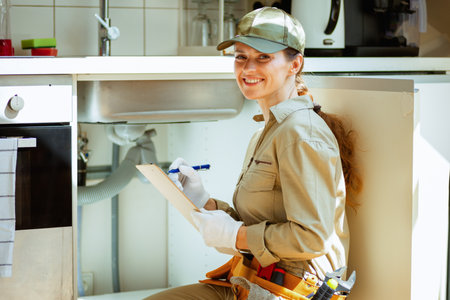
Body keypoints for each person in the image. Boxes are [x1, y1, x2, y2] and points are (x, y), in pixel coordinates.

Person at [144, 6, 361, 300]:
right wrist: (202, 201)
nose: (248, 69)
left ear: (294, 64)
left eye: (263, 58)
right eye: (241, 57)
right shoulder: (268, 130)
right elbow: (259, 224)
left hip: (290, 293)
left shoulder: (300, 133)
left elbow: (312, 237)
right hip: (252, 282)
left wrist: (235, 236)